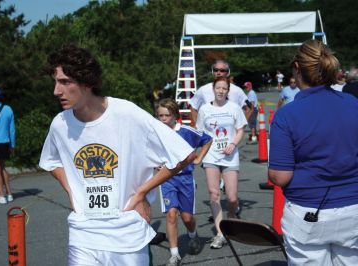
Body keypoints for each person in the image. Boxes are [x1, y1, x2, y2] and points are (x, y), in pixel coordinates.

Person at [39, 44, 196, 266]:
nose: (56, 90)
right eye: (55, 82)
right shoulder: (60, 124)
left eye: (65, 82)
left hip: (126, 234)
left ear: (86, 82)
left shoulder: (126, 114)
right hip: (83, 232)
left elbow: (183, 155)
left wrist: (142, 192)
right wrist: (71, 190)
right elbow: (50, 161)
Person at [268, 40, 358, 265]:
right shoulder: (353, 104)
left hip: (307, 210)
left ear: (297, 69)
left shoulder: (287, 115)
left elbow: (280, 176)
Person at [156, 98, 212, 266]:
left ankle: (193, 234)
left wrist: (199, 158)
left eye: (167, 115)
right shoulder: (156, 131)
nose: (163, 119)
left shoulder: (186, 131)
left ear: (175, 115)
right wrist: (155, 164)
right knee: (171, 215)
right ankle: (174, 255)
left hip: (185, 179)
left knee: (187, 218)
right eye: (160, 116)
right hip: (166, 179)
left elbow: (207, 139)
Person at [196, 76, 247, 249]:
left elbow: (240, 130)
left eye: (224, 88)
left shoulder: (234, 108)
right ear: (213, 89)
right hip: (211, 156)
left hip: (230, 156)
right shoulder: (204, 109)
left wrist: (233, 144)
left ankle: (231, 218)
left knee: (232, 198)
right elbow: (201, 134)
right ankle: (220, 232)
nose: (221, 91)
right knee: (213, 194)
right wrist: (199, 155)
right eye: (218, 88)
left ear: (228, 91)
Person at [190, 60, 251, 125]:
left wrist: (240, 127)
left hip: (231, 133)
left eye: (222, 70)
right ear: (213, 72)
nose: (218, 73)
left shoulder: (237, 90)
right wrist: (198, 127)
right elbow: (193, 106)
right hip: (208, 133)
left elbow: (249, 108)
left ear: (228, 73)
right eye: (216, 70)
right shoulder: (203, 89)